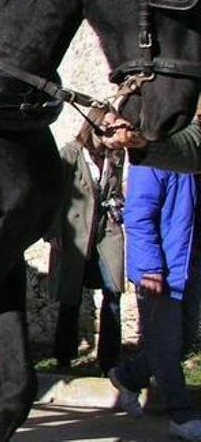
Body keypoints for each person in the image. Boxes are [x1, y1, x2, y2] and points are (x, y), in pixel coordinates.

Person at [107, 161, 201, 439]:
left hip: (190, 266)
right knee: (166, 344)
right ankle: (181, 416)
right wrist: (150, 268)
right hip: (161, 269)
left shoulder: (193, 158)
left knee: (181, 342)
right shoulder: (154, 160)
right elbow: (138, 215)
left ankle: (127, 376)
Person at [46, 114, 124, 374]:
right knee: (71, 296)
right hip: (75, 233)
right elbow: (54, 193)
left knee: (113, 291)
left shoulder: (116, 155)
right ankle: (64, 356)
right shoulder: (70, 153)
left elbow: (115, 193)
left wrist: (118, 207)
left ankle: (110, 360)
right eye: (109, 128)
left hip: (106, 231)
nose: (114, 134)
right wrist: (54, 231)